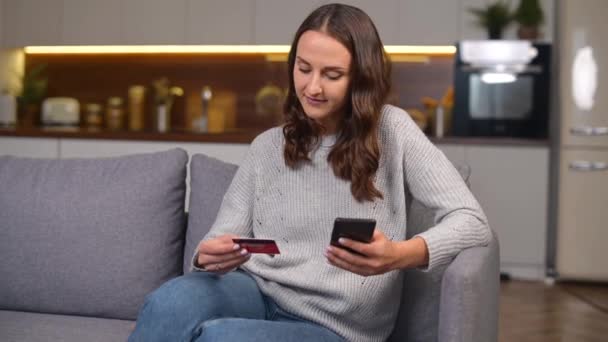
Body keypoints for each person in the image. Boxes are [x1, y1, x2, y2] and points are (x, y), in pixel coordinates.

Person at [128, 3, 491, 342]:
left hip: (336, 325)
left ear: (361, 79)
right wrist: (210, 255)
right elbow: (223, 236)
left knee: (221, 337)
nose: (312, 87)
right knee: (169, 302)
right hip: (257, 291)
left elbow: (472, 221)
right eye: (303, 69)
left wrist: (399, 254)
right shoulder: (267, 146)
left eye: (332, 75)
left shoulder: (392, 131)